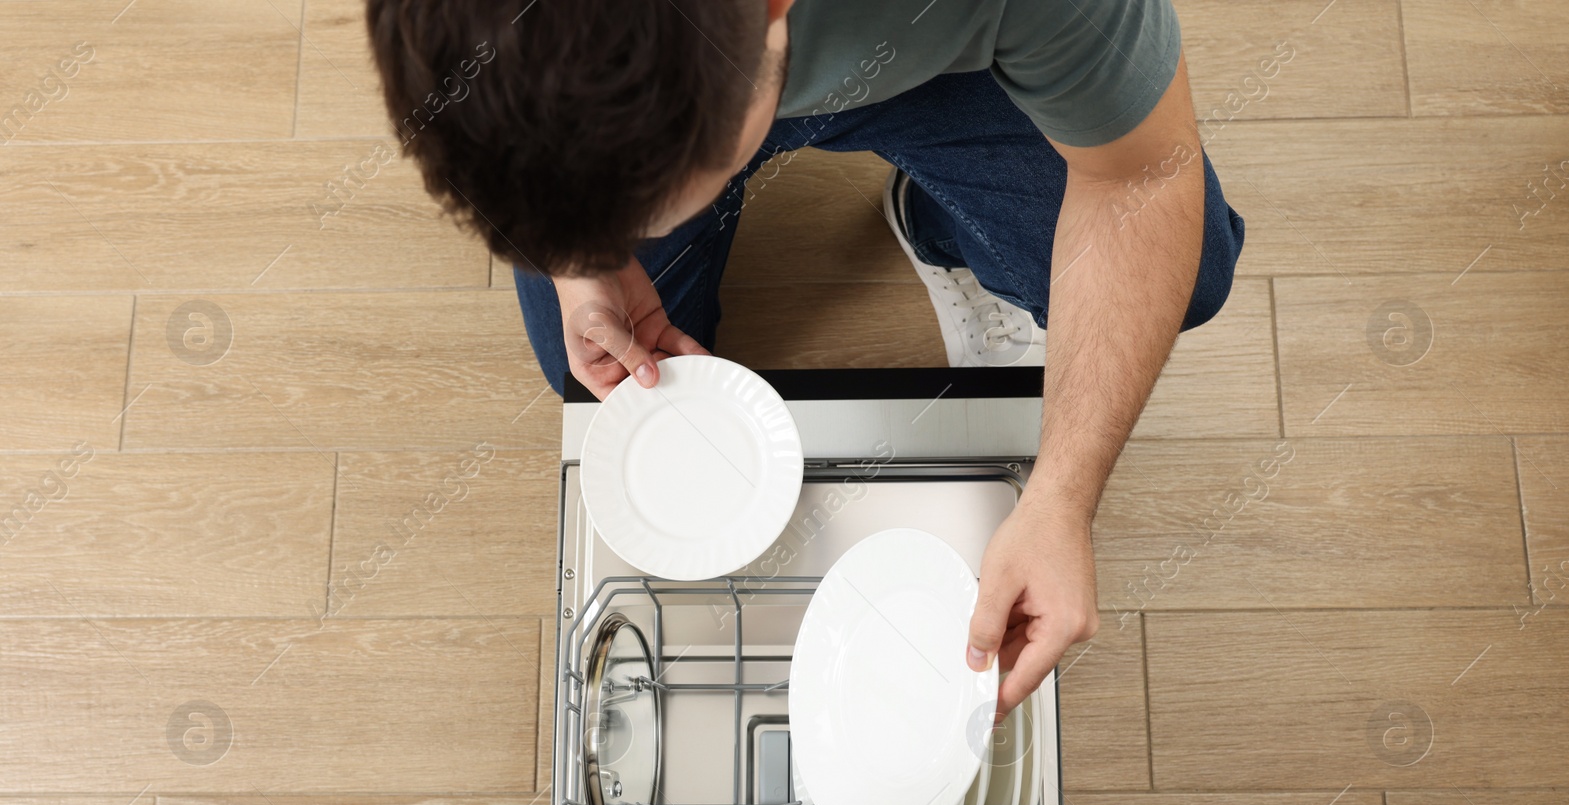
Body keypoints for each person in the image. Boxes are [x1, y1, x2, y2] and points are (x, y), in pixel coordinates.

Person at [366, 0, 1245, 714]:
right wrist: (579, 260)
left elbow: (1140, 176)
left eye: (643, 212)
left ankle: (947, 227)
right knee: (586, 371)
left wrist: (1062, 496)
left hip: (939, 52)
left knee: (1188, 273)